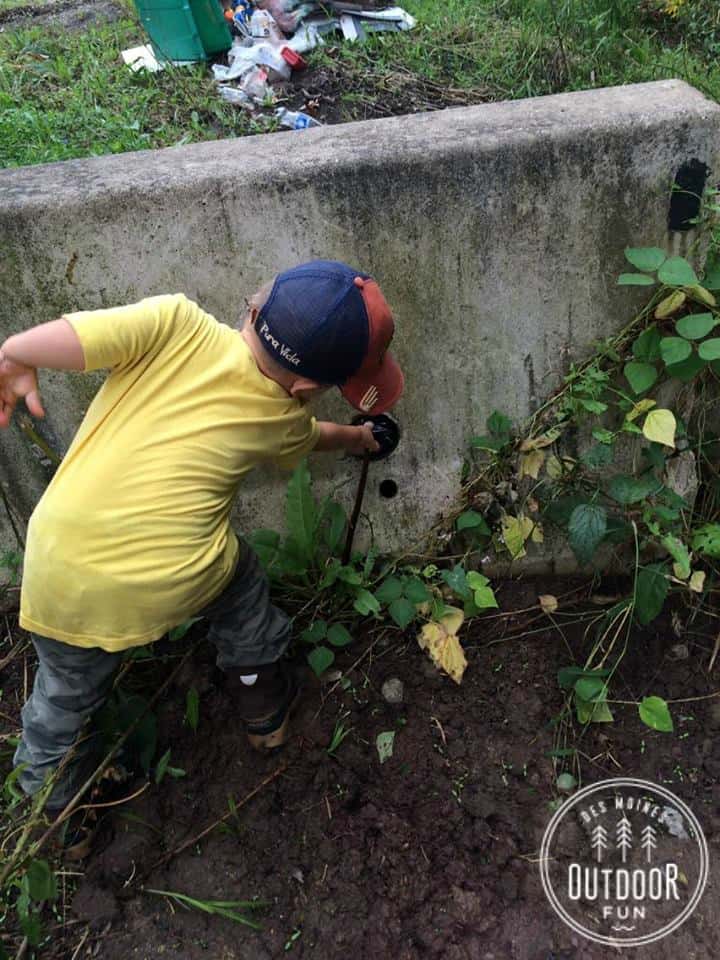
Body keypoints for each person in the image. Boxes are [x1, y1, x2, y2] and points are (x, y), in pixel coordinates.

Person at [0, 259, 404, 848]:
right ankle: (263, 706)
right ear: (306, 390)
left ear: (253, 306)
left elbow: (80, 338)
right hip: (173, 575)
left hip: (58, 560)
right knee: (240, 587)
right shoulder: (282, 416)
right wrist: (361, 437)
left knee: (62, 692)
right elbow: (317, 437)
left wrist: (17, 354)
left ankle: (54, 816)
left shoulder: (173, 320)